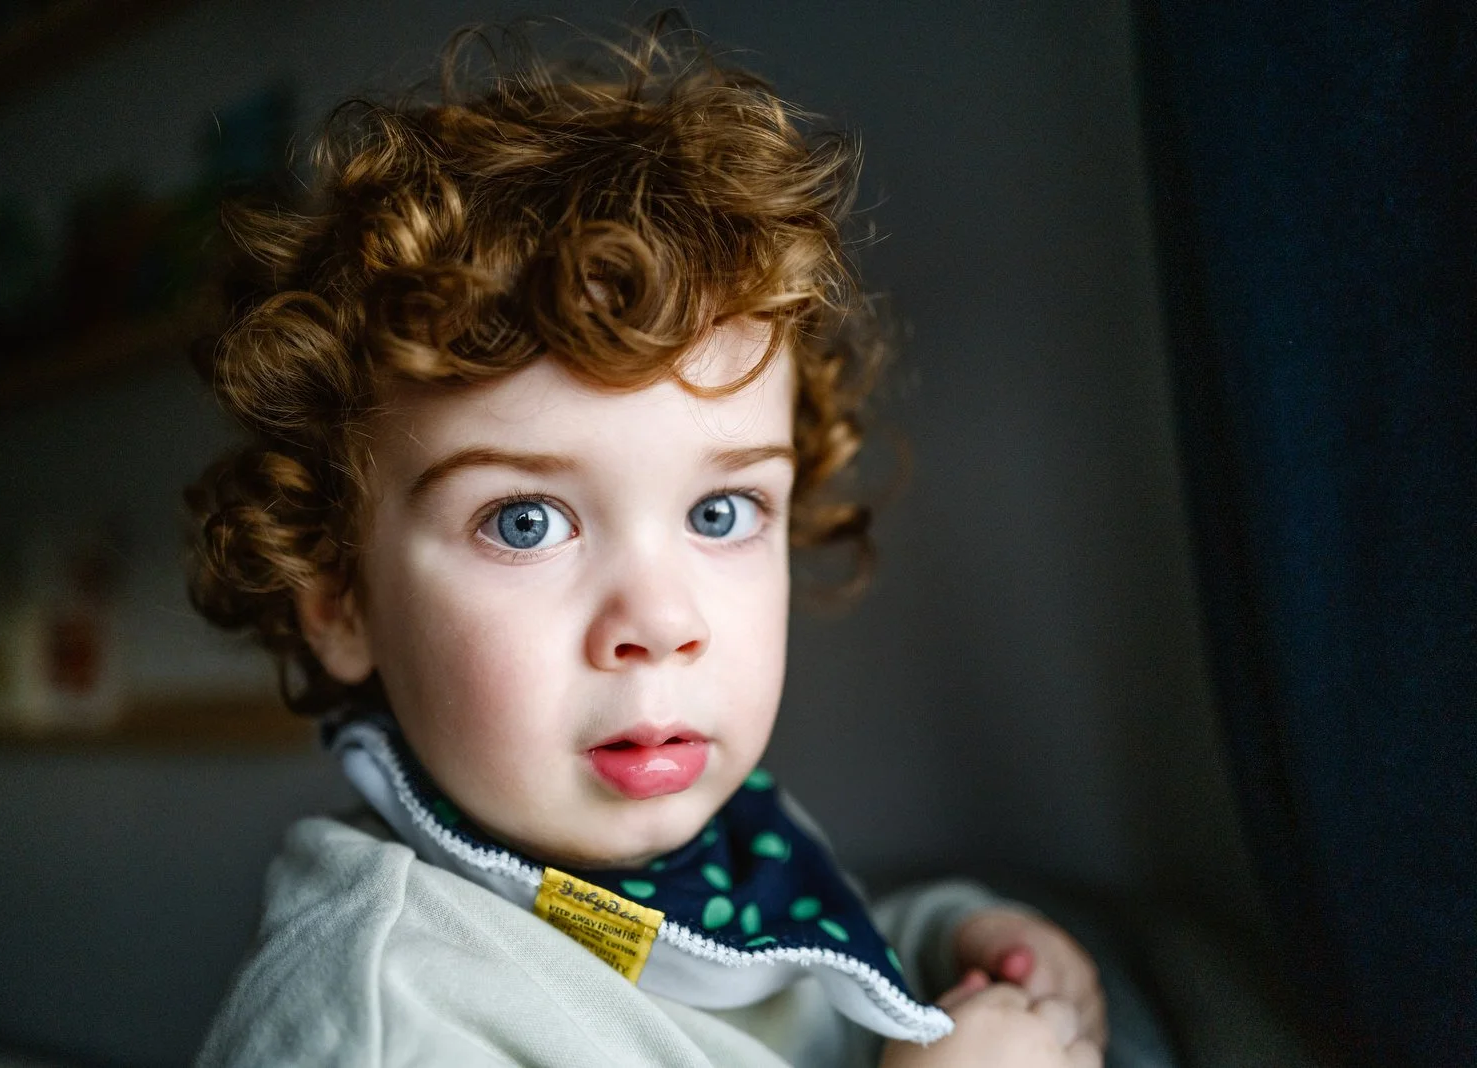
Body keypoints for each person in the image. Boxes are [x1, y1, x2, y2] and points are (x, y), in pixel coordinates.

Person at [186, 19, 1106, 1068]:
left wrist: (948, 941)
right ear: (339, 601)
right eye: (524, 522)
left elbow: (769, 987)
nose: (659, 624)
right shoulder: (388, 1022)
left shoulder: (692, 830)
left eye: (719, 513)